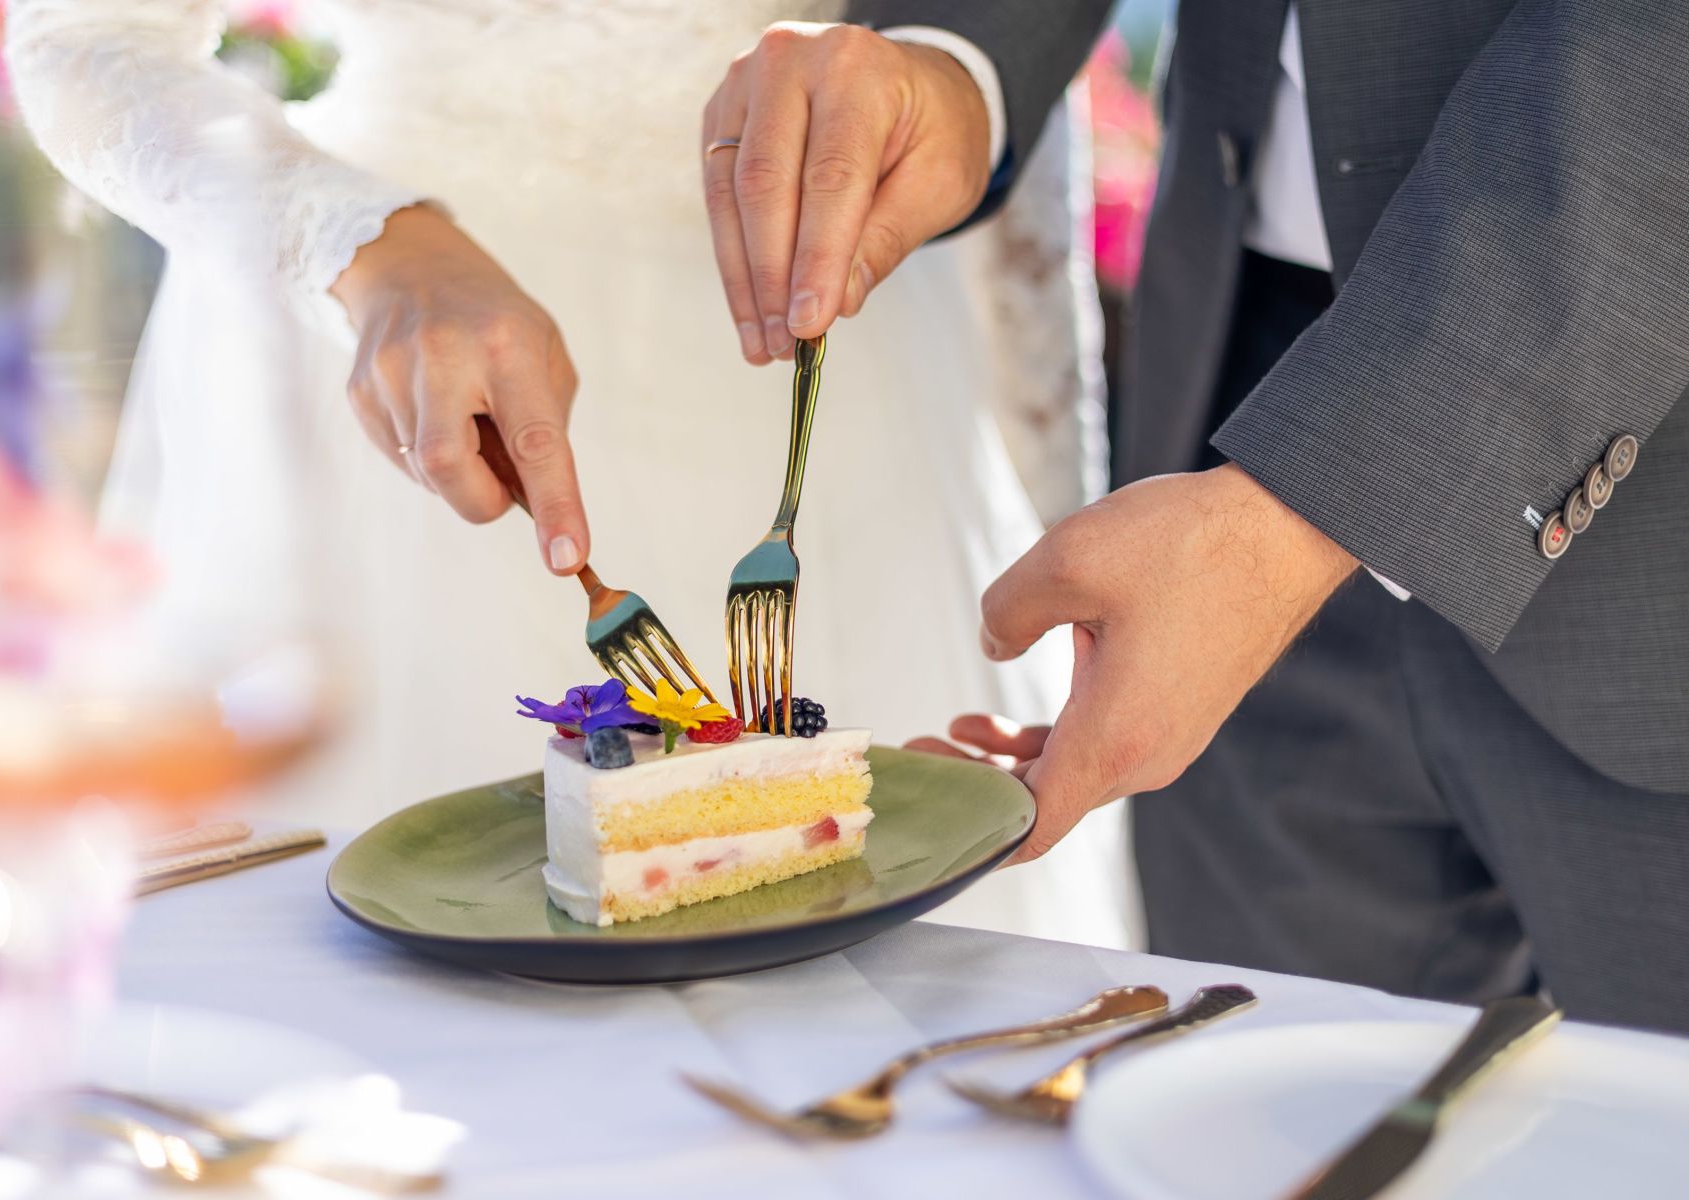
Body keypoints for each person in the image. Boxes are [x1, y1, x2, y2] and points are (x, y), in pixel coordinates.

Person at [2, 0, 1130, 944]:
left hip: (829, 327)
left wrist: (939, 78)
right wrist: (359, 243)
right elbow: (85, 45)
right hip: (395, 361)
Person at [703, 4, 1689, 1032]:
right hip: (1226, 383)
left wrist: (1287, 521)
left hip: (1643, 430)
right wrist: (957, 64)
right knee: (1259, 1131)